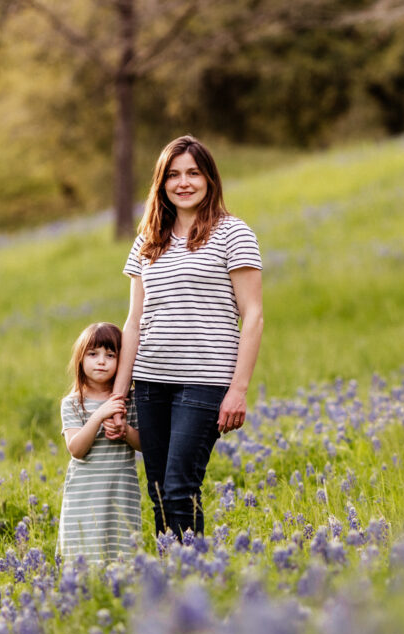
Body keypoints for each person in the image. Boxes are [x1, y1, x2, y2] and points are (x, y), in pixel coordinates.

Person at [109, 134, 263, 540]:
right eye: (173, 175)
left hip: (205, 381)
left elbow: (253, 316)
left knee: (180, 489)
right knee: (159, 492)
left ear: (209, 179)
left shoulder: (234, 233)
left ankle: (192, 581)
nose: (184, 182)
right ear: (161, 183)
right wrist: (119, 396)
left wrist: (238, 390)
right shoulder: (148, 241)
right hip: (151, 382)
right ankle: (171, 585)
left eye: (193, 173)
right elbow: (134, 321)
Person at [58, 322, 142, 563]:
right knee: (85, 555)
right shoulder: (73, 403)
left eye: (110, 355)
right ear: (80, 360)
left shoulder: (129, 401)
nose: (101, 361)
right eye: (93, 354)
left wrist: (125, 430)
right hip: (85, 492)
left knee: (121, 555)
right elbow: (76, 449)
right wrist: (99, 415)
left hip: (120, 489)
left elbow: (144, 444)